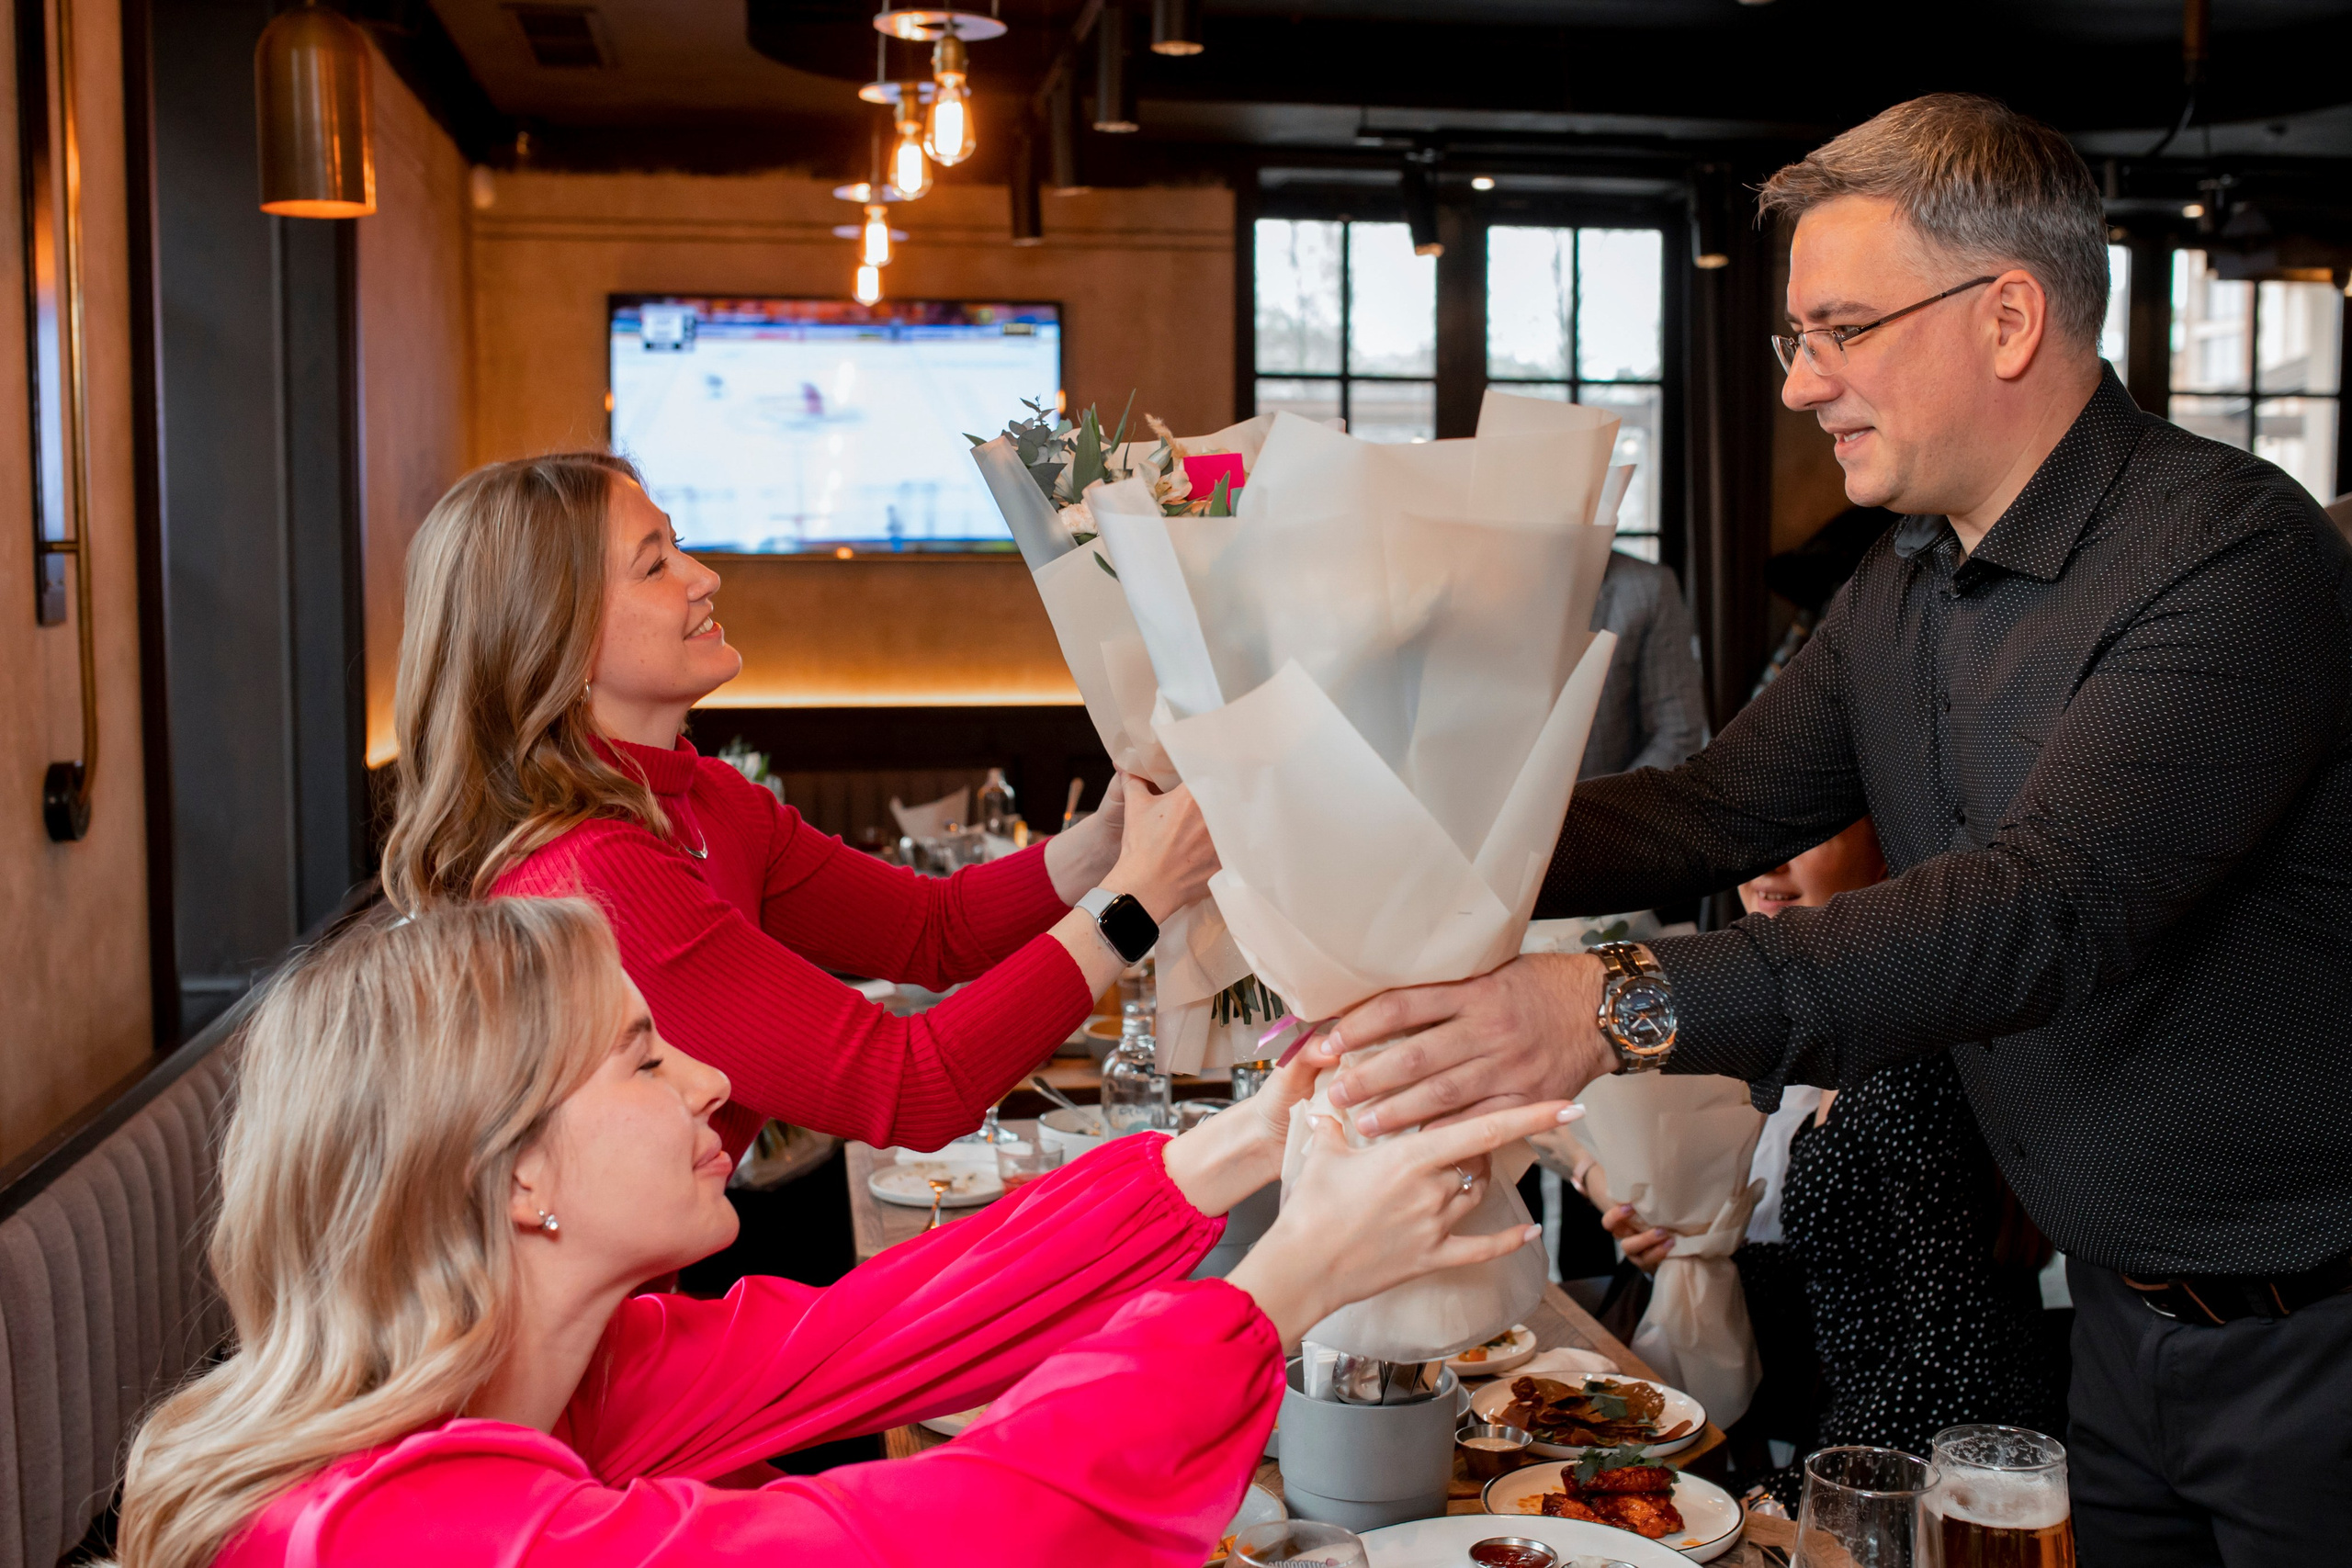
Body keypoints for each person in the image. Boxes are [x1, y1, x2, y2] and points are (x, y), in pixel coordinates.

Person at [1320, 95, 2352, 1566]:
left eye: (1841, 329)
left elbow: (2040, 908)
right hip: (2124, 1327)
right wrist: (1394, 830)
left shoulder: (2232, 553)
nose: (1804, 385)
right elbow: (1713, 805)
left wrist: (1602, 1003)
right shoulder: (1911, 575)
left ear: (2005, 320)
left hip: (2311, 1336)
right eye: (1795, 337)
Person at [111, 899, 1571, 1568]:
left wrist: (1242, 1140)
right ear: (507, 1178)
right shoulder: (392, 1532)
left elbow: (899, 1315)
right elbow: (949, 1535)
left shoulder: (572, 1364)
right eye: (640, 1058)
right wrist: (1291, 1274)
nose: (712, 1079)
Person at [381, 452, 1219, 1161]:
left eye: (680, 547)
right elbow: (913, 1086)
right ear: (552, 638)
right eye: (654, 564)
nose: (705, 577)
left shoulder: (700, 794)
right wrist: (1135, 901)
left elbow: (933, 928)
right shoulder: (599, 876)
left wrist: (1108, 842)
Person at [1600, 818, 2057, 1506]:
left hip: (1942, 1484)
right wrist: (1696, 1249)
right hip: (1869, 1449)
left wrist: (1801, 1495)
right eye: (1757, 838)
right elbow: (1851, 1277)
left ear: (1885, 862)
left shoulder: (1910, 1062)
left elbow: (1957, 1358)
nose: (1766, 866)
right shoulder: (1865, 1042)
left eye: (1807, 831)